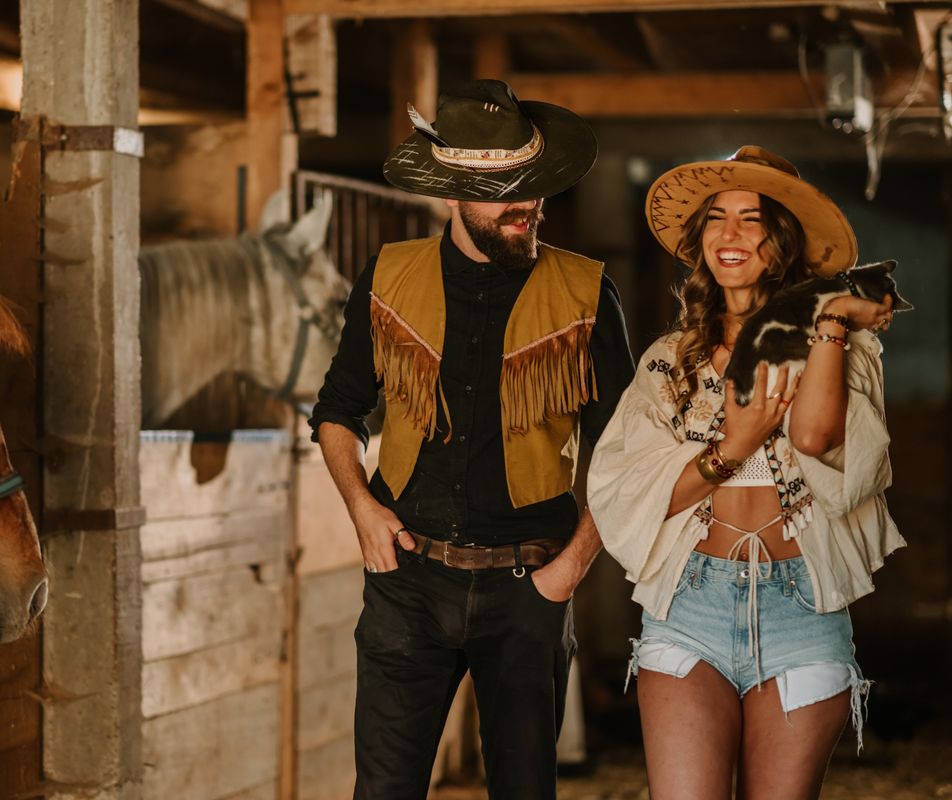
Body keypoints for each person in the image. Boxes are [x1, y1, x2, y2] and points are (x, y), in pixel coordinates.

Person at [308, 79, 634, 799]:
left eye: (534, 185)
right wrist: (363, 511)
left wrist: (569, 573)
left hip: (529, 587)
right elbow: (335, 411)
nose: (528, 206)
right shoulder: (388, 278)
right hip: (406, 586)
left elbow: (627, 458)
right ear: (453, 192)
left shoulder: (587, 295)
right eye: (502, 190)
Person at [587, 146, 905, 799]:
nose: (730, 235)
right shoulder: (668, 361)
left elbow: (822, 443)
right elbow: (634, 492)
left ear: (783, 240)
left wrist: (828, 320)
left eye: (753, 219)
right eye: (716, 219)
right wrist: (732, 450)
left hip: (802, 606)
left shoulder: (841, 342)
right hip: (690, 603)